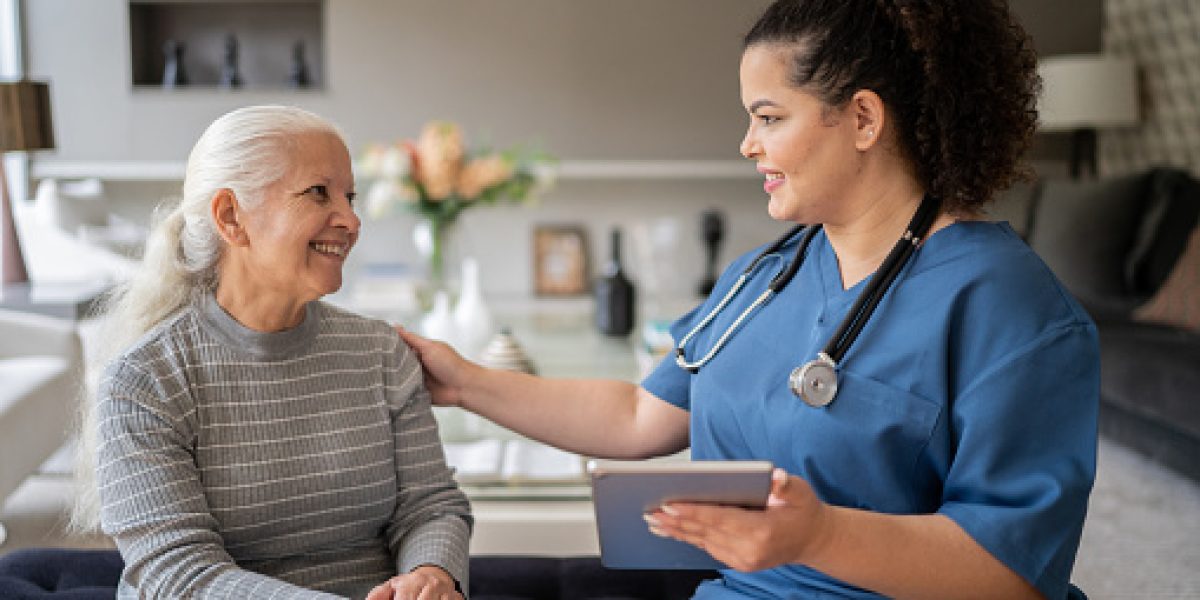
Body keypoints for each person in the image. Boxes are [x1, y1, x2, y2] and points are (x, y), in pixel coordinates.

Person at [397, 1, 1098, 598]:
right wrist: (465, 383)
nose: (746, 145)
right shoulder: (767, 274)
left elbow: (1015, 574)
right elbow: (641, 415)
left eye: (767, 118)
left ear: (861, 119)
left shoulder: (1012, 308)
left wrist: (821, 534)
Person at [73, 105, 472, 599]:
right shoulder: (145, 380)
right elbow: (179, 576)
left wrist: (430, 576)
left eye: (350, 197)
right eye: (317, 193)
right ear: (230, 217)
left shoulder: (381, 353)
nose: (350, 219)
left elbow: (430, 505)